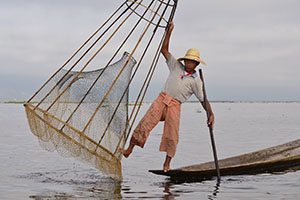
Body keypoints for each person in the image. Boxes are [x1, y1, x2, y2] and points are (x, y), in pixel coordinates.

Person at [121, 21, 215, 172]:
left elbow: (203, 100)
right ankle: (129, 149)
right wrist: (169, 32)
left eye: (192, 61)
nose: (189, 63)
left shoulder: (196, 80)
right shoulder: (176, 66)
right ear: (185, 61)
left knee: (172, 135)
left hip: (175, 106)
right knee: (145, 123)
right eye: (188, 60)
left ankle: (166, 164)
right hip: (162, 99)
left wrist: (210, 114)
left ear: (196, 64)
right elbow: (164, 50)